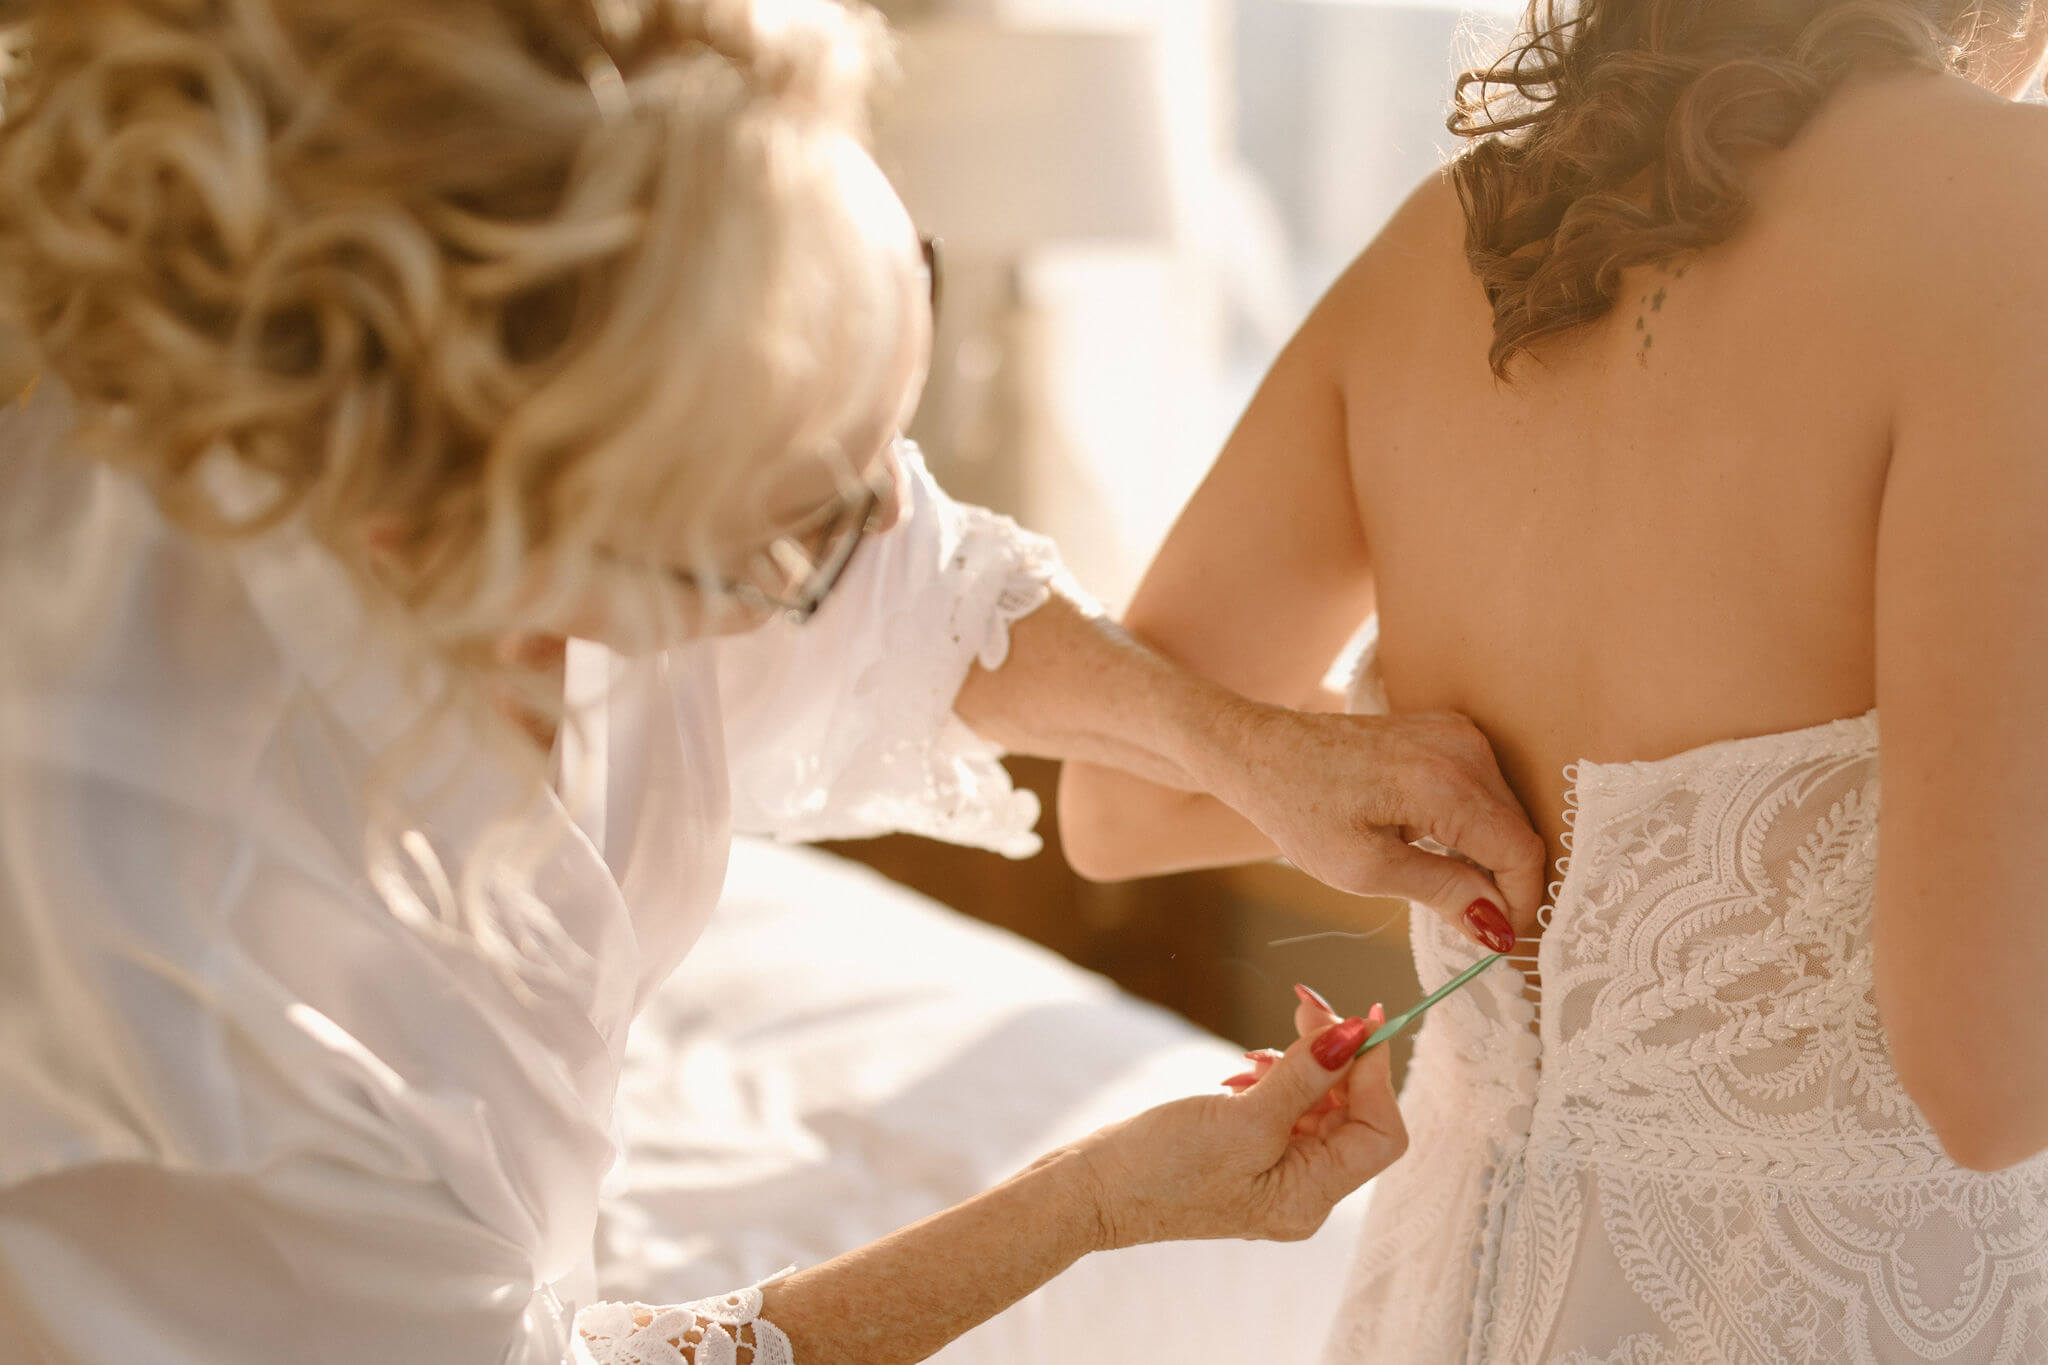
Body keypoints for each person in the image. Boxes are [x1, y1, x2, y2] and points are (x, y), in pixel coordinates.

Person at [0, 2, 1564, 1362]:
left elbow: (912, 587)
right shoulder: (200, 930)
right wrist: (1086, 1202)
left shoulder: (616, 378)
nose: (894, 512)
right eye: (798, 518)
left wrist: (1250, 745)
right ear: (456, 533)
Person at [1060, 0, 2048, 1359]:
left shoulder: (1451, 230)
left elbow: (1122, 800)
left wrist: (1433, 766)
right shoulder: (2013, 209)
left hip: (1449, 1303)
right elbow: (1991, 1085)